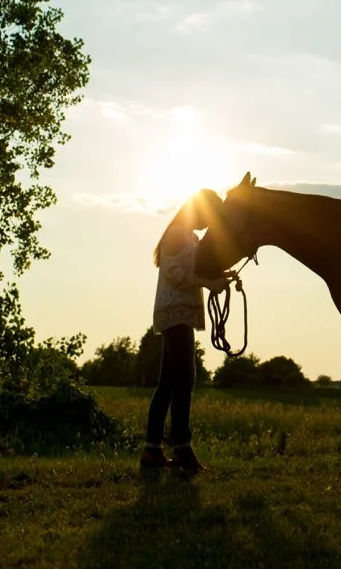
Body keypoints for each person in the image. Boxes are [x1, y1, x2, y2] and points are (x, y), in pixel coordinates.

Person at [140, 189, 229, 473]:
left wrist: (217, 279)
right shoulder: (177, 233)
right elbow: (173, 272)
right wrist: (207, 283)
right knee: (184, 379)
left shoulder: (189, 236)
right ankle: (181, 448)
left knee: (168, 383)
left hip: (179, 314)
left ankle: (152, 450)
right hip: (175, 313)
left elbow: (191, 268)